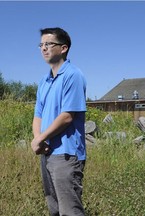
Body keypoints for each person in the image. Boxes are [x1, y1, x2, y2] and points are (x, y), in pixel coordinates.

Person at [31, 27, 87, 216]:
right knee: (53, 208)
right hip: (47, 152)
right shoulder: (44, 81)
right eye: (41, 44)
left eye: (49, 44)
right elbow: (37, 115)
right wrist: (39, 139)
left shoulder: (73, 75)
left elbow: (67, 116)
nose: (44, 48)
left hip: (66, 155)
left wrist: (42, 138)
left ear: (63, 48)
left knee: (69, 210)